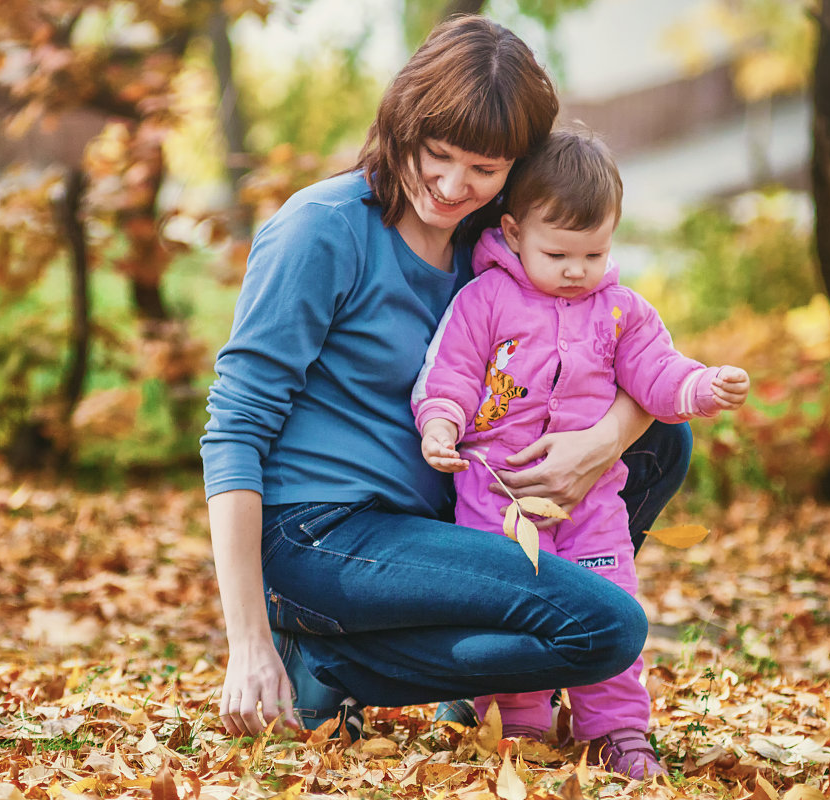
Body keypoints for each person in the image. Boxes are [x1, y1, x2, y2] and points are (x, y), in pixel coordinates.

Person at [201, 15, 691, 749]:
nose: (453, 185)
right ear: (402, 123)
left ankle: (471, 680)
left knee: (662, 444)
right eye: (438, 154)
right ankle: (326, 658)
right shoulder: (322, 231)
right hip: (320, 534)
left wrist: (601, 443)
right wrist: (246, 642)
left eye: (484, 170)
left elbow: (618, 347)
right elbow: (234, 428)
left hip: (435, 514)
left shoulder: (496, 247)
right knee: (608, 628)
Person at [413, 128, 750, 778]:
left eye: (594, 253)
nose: (577, 270)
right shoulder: (484, 302)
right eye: (559, 252)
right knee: (514, 621)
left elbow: (656, 371)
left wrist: (702, 386)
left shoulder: (619, 312)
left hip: (592, 507)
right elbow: (447, 372)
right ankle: (520, 729)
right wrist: (441, 424)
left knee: (612, 606)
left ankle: (619, 730)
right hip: (499, 508)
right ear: (512, 233)